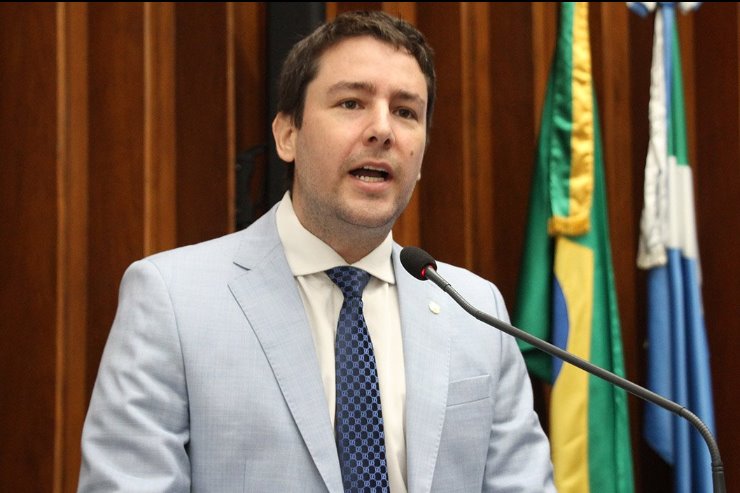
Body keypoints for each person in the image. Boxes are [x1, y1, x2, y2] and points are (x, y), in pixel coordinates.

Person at [78, 10, 555, 492]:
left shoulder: (475, 311)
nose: (383, 130)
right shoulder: (173, 300)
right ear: (288, 135)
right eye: (351, 103)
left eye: (406, 112)